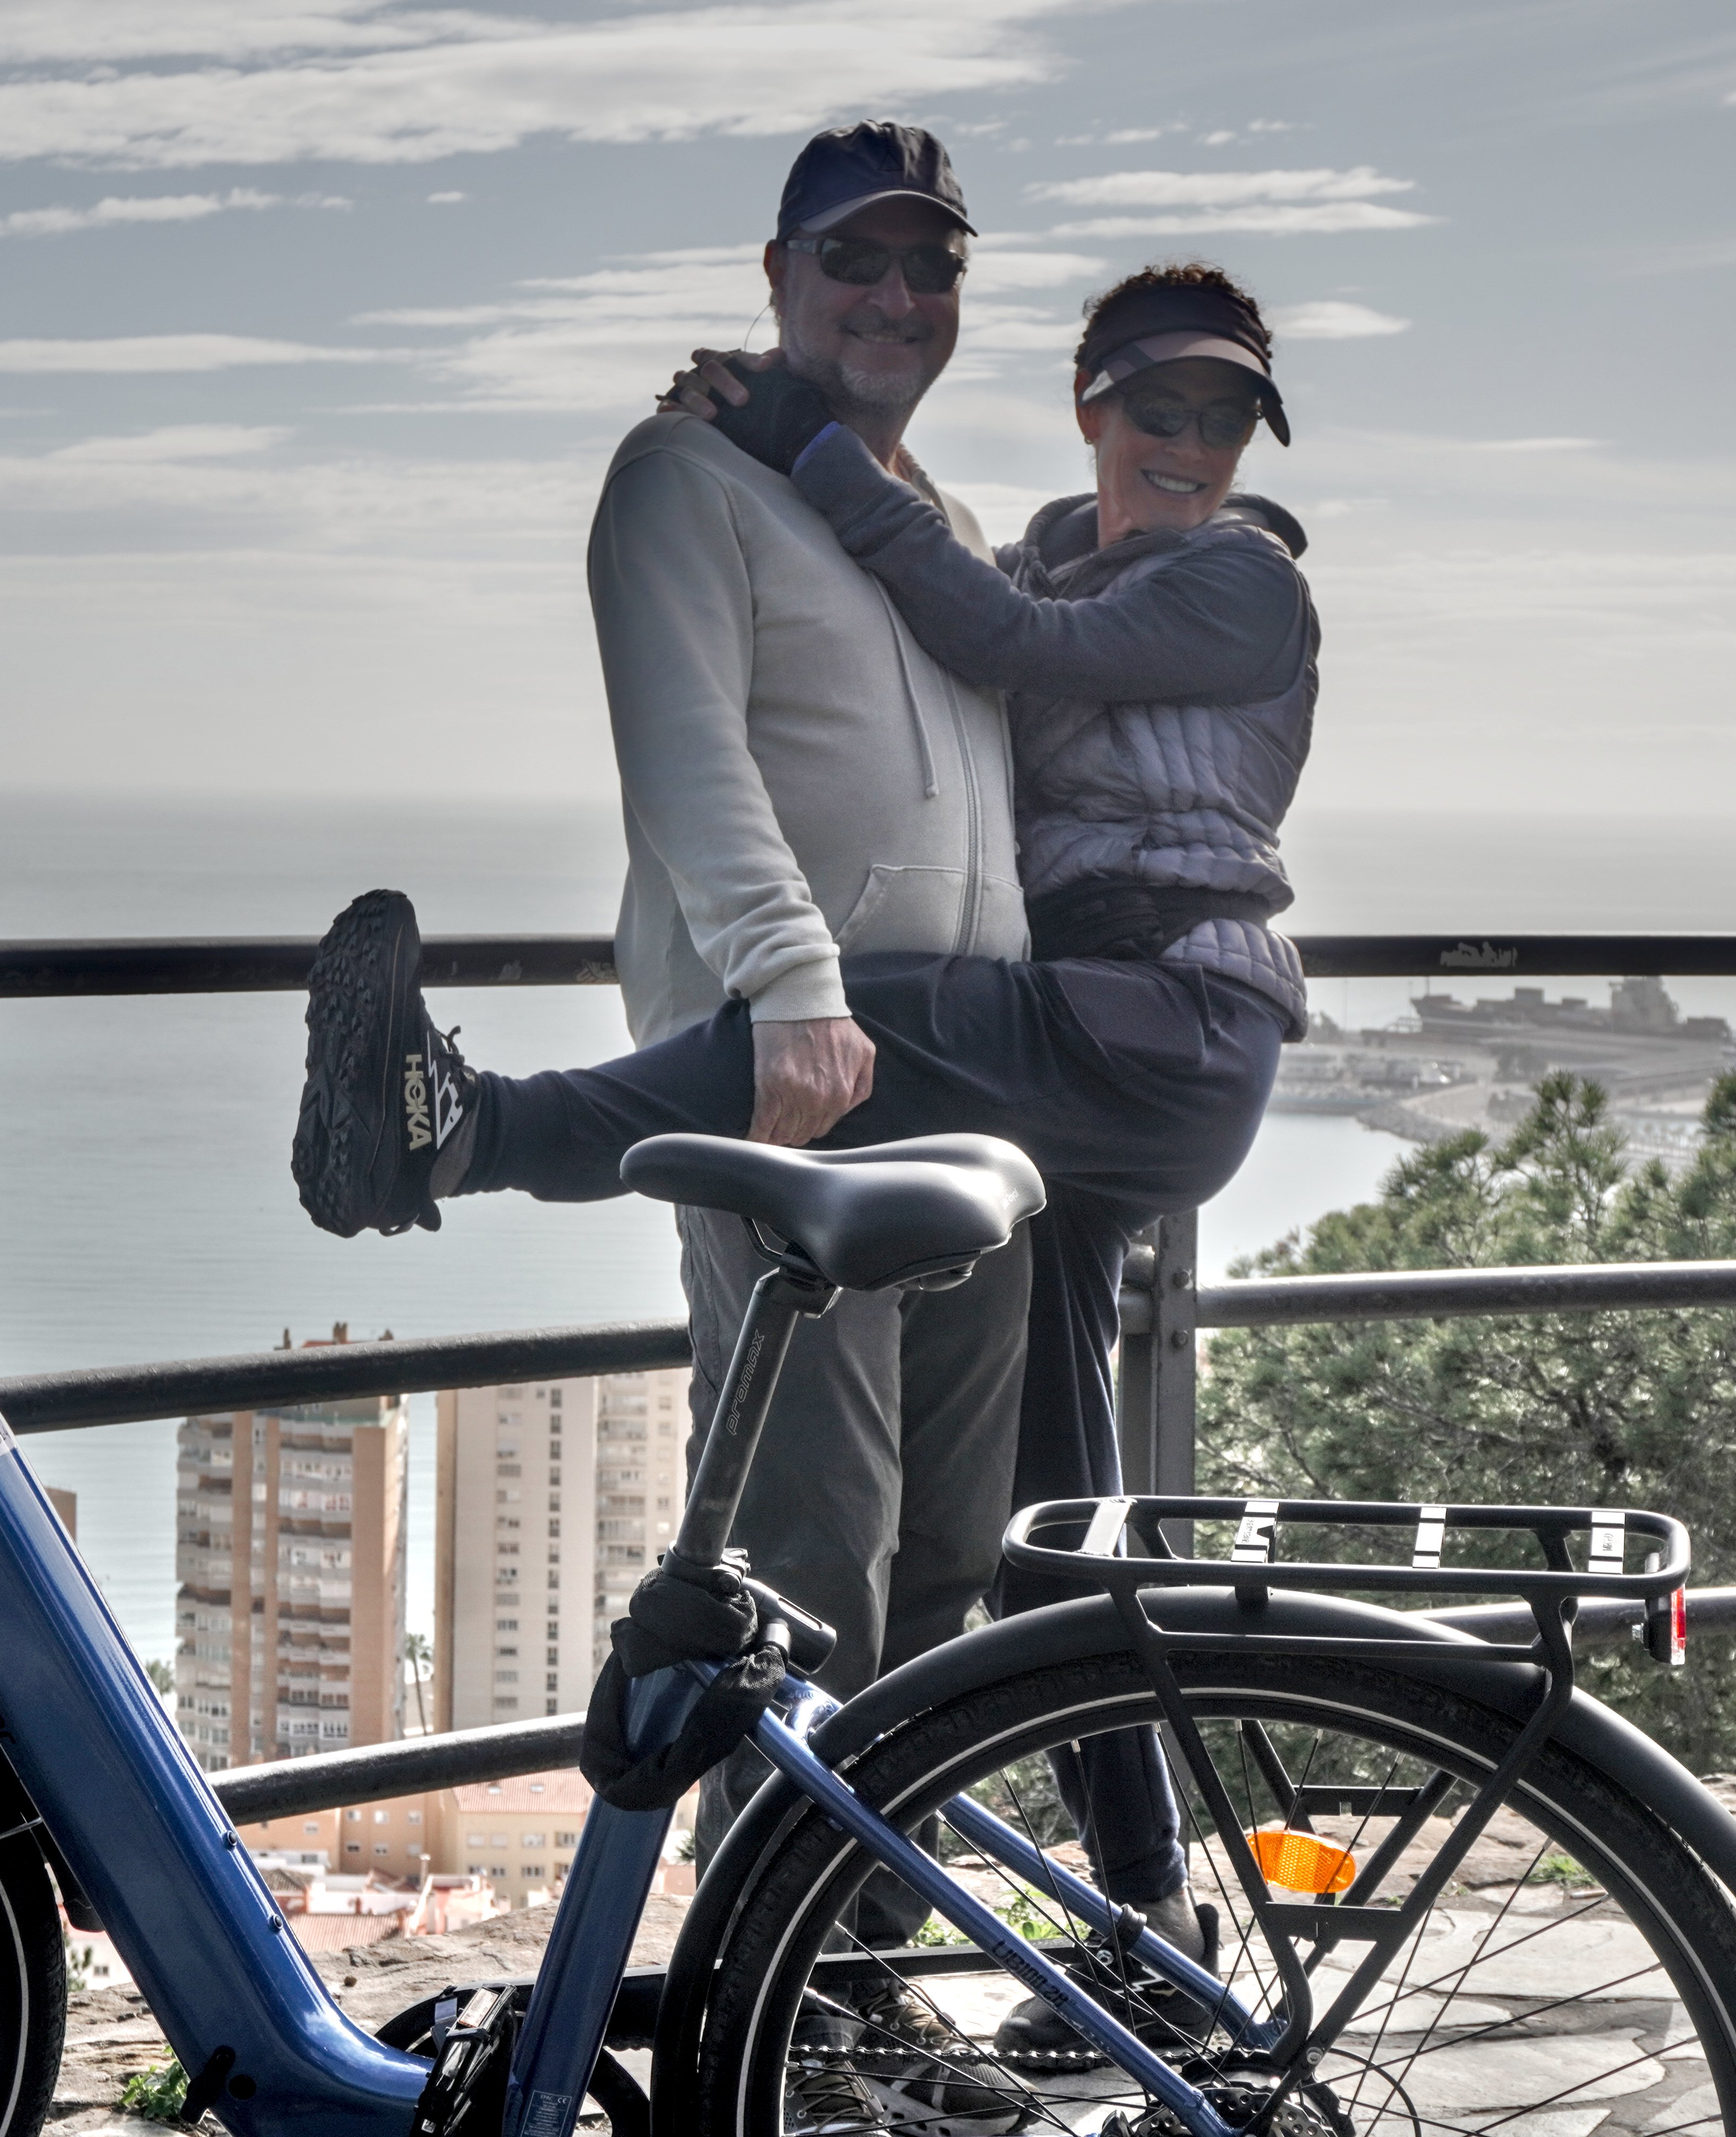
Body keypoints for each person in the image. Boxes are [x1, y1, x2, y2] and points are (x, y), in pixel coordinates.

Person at [301, 253, 1319, 2074]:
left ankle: (473, 1129)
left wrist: (793, 424)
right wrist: (804, 451)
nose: (1188, 442)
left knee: (874, 1032)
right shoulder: (1022, 546)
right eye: (1155, 407)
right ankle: (1142, 1918)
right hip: (1077, 1069)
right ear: (1090, 404)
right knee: (1042, 1528)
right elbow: (934, 639)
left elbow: (1008, 657)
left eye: (1223, 416)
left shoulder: (1242, 580)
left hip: (1155, 1033)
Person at [295, 119, 1036, 2122]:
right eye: (858, 266)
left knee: (956, 1550)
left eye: (929, 271)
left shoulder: (909, 507)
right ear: (780, 274)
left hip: (975, 1068)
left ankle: (854, 1974)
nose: (896, 302)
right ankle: (793, 2011)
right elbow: (695, 764)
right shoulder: (684, 480)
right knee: (816, 1541)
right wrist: (790, 981)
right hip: (802, 1056)